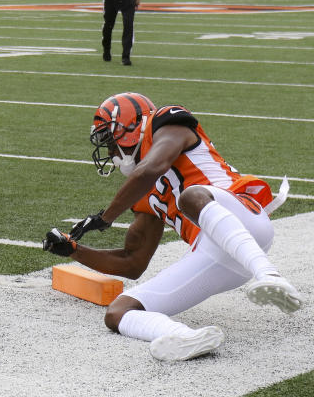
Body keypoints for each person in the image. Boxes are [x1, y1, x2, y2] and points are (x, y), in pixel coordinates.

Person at [43, 92, 302, 361]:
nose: (110, 151)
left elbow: (153, 167)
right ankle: (184, 336)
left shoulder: (166, 122)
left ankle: (269, 275)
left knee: (189, 196)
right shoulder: (141, 191)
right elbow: (133, 262)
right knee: (118, 312)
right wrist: (74, 250)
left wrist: (105, 217)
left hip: (243, 217)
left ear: (131, 127)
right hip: (217, 256)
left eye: (110, 140)